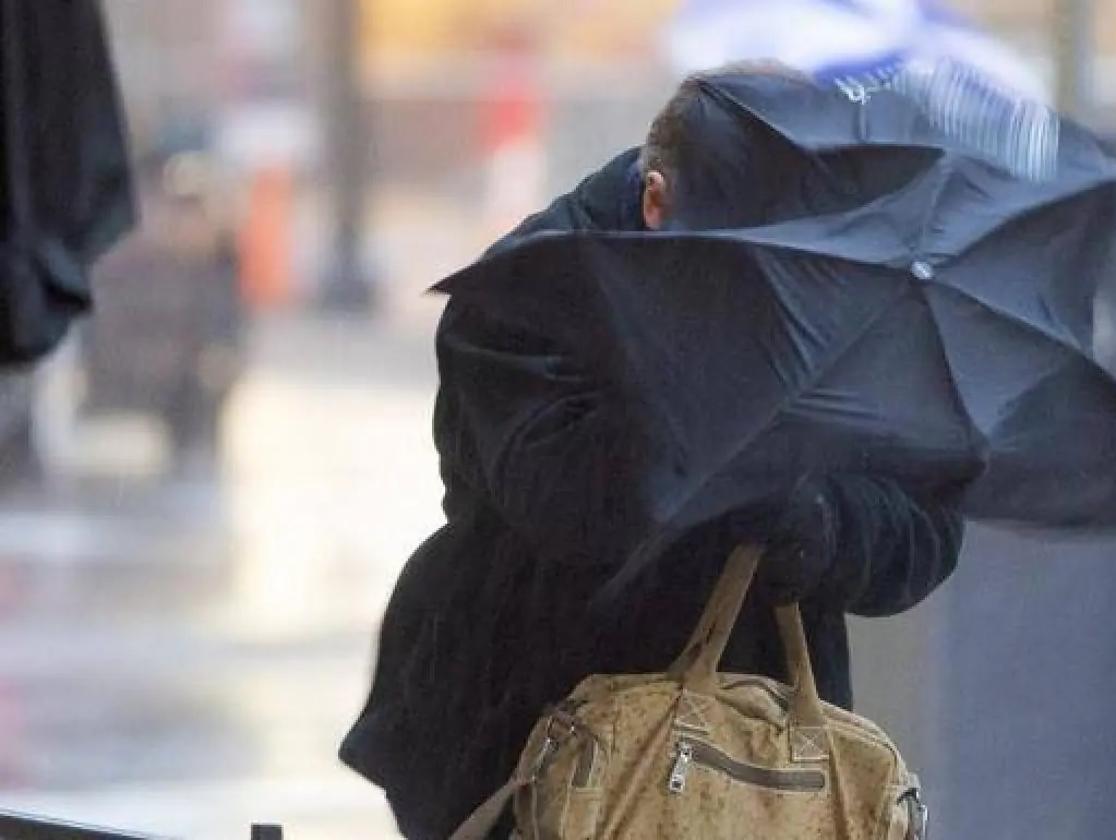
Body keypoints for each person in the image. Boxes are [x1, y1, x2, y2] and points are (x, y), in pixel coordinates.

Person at [341, 64, 964, 839]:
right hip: (524, 729)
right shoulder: (527, 295)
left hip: (758, 757)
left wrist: (814, 516)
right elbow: (573, 506)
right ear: (657, 201)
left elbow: (925, 532)